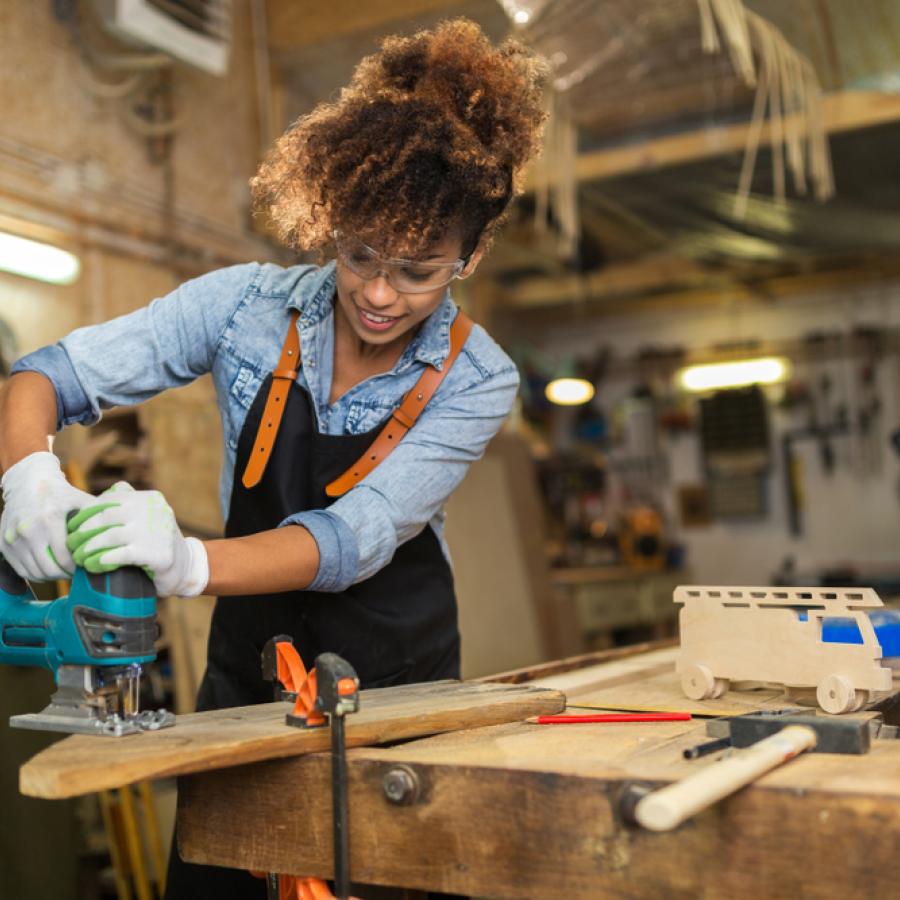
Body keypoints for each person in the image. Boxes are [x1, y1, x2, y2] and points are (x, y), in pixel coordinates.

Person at [0, 18, 546, 899]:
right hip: (248, 680)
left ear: (470, 255)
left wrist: (184, 561)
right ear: (329, 217)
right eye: (359, 253)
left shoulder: (479, 378)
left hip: (394, 702)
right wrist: (26, 474)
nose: (376, 291)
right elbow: (45, 375)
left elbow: (354, 536)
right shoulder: (242, 308)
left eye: (417, 271)